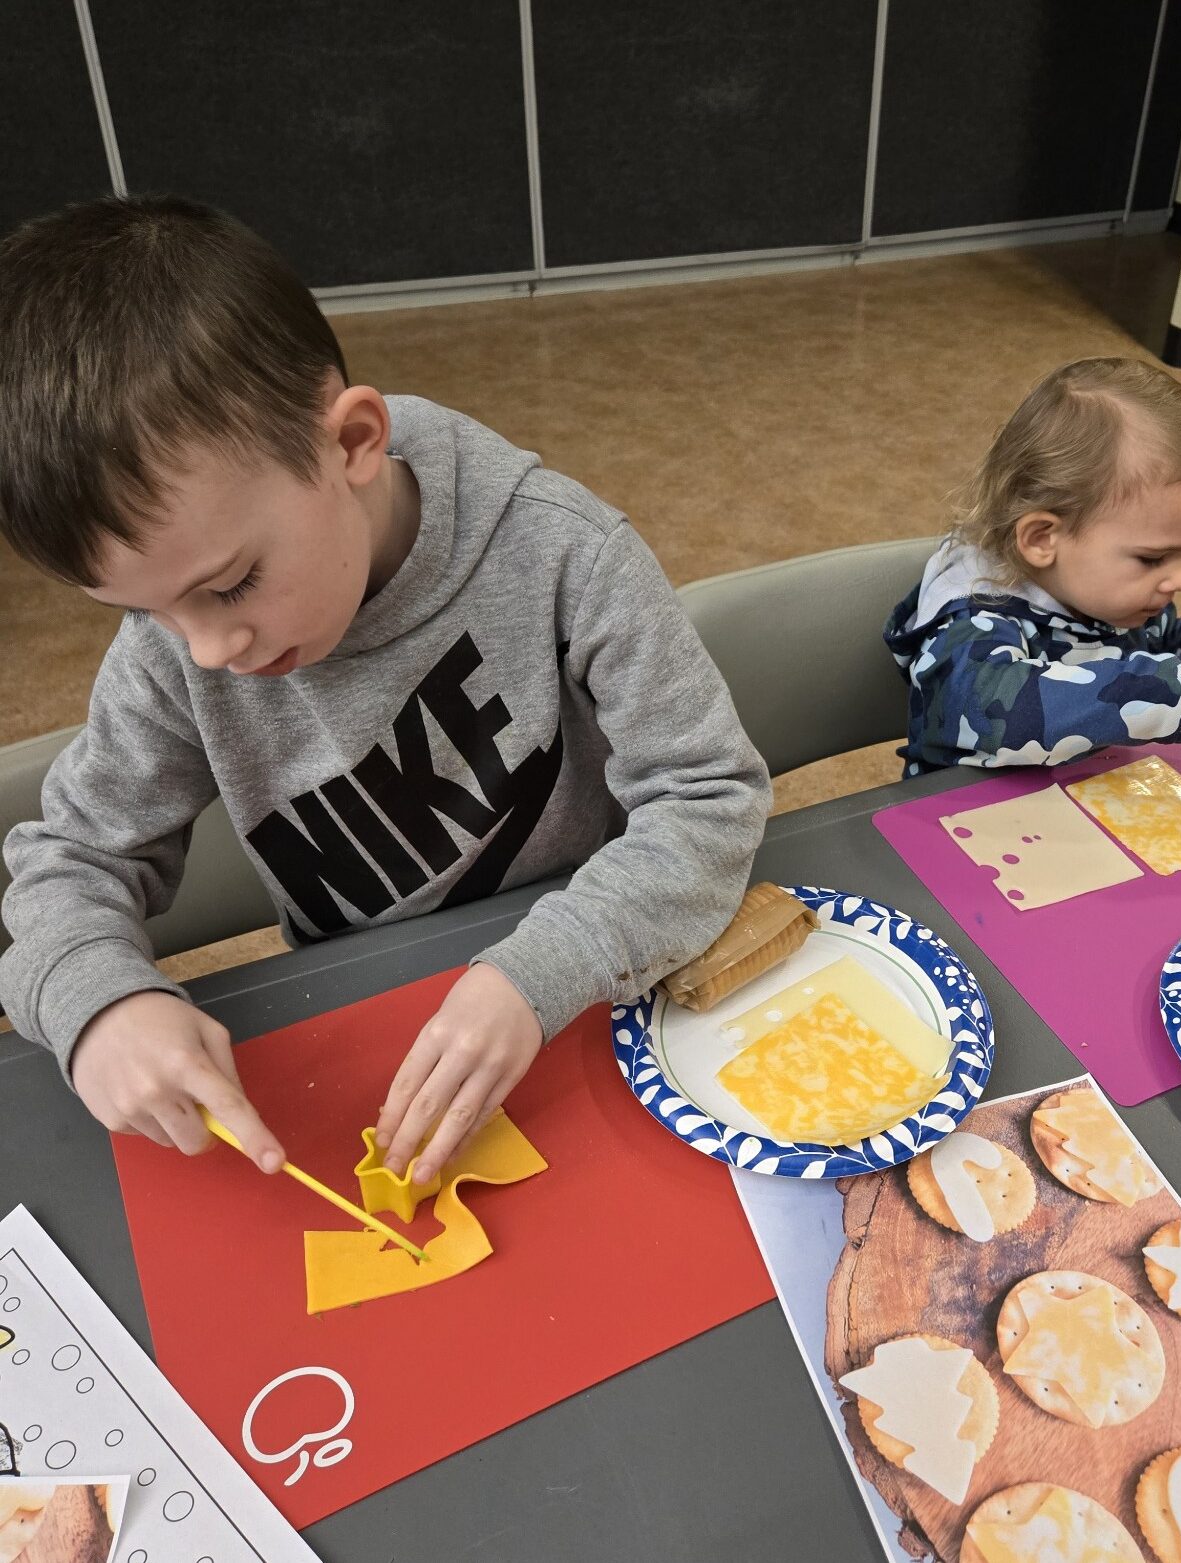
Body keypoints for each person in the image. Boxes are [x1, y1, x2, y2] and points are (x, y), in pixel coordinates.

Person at [0, 195, 769, 1188]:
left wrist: (543, 971)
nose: (208, 650)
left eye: (230, 584)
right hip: (371, 1029)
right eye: (149, 611)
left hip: (599, 988)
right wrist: (98, 1002)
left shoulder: (564, 552)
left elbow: (710, 801)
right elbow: (69, 863)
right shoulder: (172, 654)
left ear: (355, 444)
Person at [885, 357, 1181, 776]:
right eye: (1153, 558)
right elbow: (1008, 716)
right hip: (964, 821)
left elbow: (1161, 642)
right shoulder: (969, 622)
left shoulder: (1110, 597)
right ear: (1042, 539)